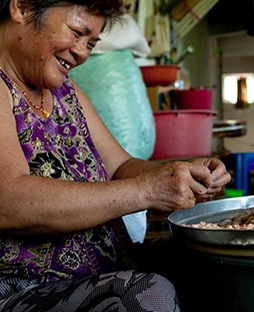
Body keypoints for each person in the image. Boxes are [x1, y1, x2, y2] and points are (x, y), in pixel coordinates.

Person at [0, 1, 230, 311]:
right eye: (77, 32)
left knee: (216, 254)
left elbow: (120, 165)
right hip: (24, 286)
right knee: (149, 294)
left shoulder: (64, 92)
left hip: (105, 267)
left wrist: (184, 177)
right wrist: (147, 191)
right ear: (23, 7)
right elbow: (8, 202)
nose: (82, 52)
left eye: (91, 43)